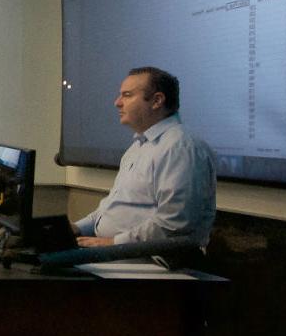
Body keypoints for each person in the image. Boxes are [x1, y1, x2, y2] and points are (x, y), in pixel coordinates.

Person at [72, 67, 217, 248]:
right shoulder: (138, 146)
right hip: (116, 252)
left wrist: (112, 243)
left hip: (149, 260)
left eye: (127, 95)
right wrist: (76, 228)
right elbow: (111, 208)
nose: (117, 102)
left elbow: (175, 223)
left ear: (157, 101)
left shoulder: (181, 147)